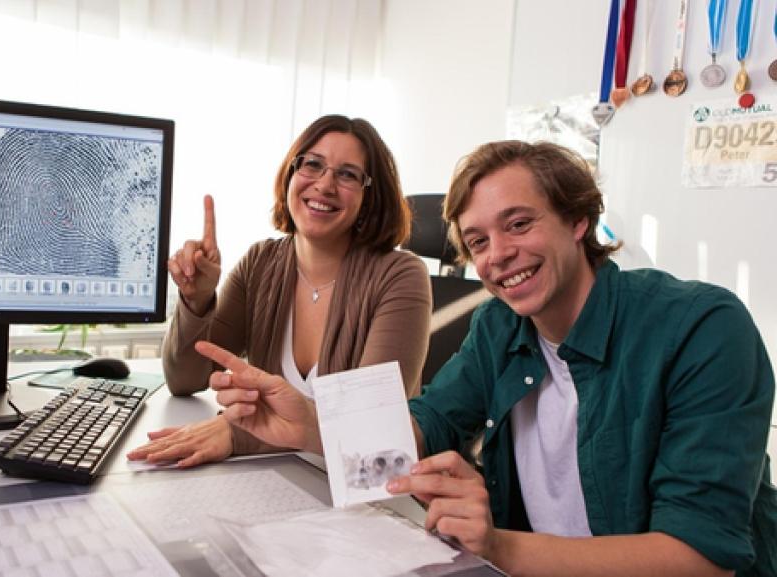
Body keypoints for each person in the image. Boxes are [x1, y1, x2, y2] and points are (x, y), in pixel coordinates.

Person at [192, 140, 777, 576]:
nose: (497, 256)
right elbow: (428, 423)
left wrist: (496, 545)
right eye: (477, 241)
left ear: (579, 219)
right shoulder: (500, 325)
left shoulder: (701, 328)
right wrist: (310, 424)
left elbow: (698, 559)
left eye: (518, 224)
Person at [126, 115, 432, 468]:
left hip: (360, 487)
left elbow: (370, 427)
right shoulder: (259, 263)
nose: (325, 185)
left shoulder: (400, 275)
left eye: (348, 174)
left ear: (369, 197)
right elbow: (184, 381)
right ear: (291, 173)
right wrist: (196, 300)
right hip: (273, 475)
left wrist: (236, 434)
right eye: (313, 164)